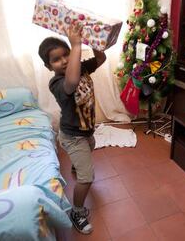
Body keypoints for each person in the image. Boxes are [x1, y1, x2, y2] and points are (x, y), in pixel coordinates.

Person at [38, 23, 106, 235]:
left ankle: (77, 166)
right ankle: (77, 211)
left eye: (66, 54)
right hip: (72, 136)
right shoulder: (57, 82)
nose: (65, 60)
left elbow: (101, 59)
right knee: (86, 178)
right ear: (49, 67)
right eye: (56, 59)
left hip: (87, 132)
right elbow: (72, 82)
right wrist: (76, 44)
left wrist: (94, 41)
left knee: (91, 147)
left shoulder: (81, 67)